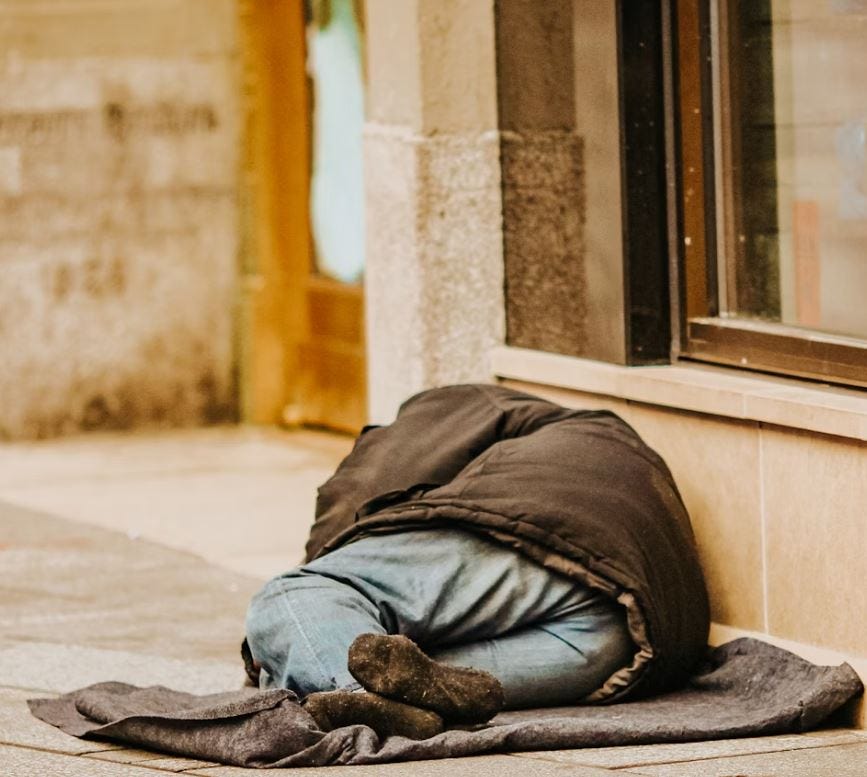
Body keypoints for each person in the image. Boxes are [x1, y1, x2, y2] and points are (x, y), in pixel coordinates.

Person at [244, 384, 710, 739]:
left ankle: (351, 695)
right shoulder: (589, 437)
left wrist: (307, 599)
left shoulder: (447, 407)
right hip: (627, 638)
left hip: (546, 537)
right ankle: (389, 700)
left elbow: (360, 491)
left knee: (294, 595)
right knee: (409, 675)